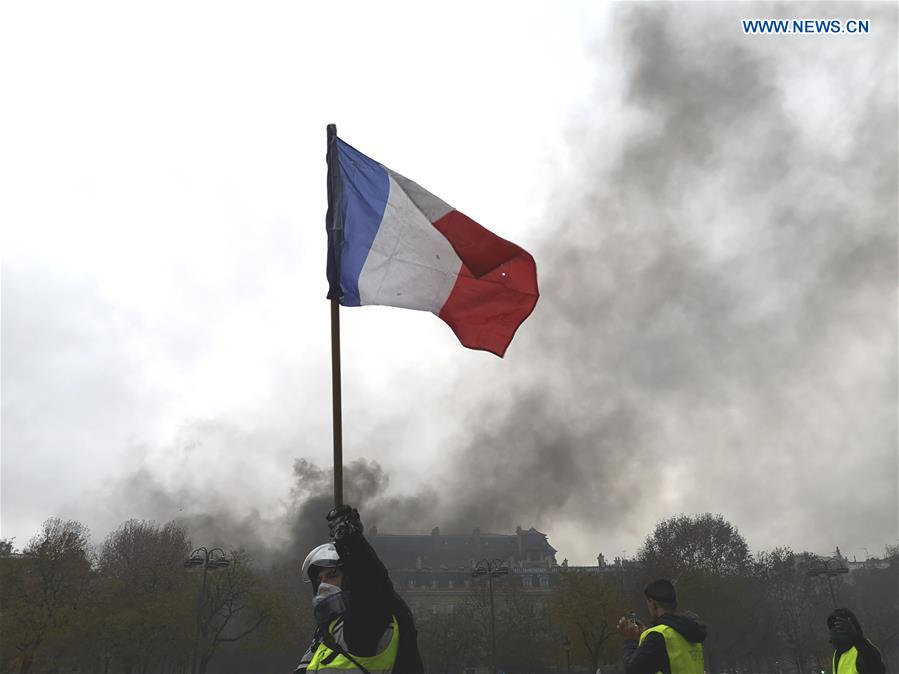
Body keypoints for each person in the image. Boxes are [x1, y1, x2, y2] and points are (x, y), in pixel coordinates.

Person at [294, 505, 423, 673]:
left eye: (332, 575)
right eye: (320, 580)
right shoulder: (326, 635)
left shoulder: (363, 623)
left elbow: (372, 585)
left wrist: (352, 541)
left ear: (350, 579)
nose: (324, 585)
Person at [616, 579, 706, 674]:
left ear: (653, 604)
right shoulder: (689, 630)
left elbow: (632, 670)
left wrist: (629, 639)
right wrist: (646, 639)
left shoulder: (658, 636)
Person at [827, 608, 885, 673]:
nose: (835, 630)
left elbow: (877, 669)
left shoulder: (864, 650)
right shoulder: (837, 654)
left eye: (841, 626)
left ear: (852, 627)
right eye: (833, 627)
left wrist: (857, 638)